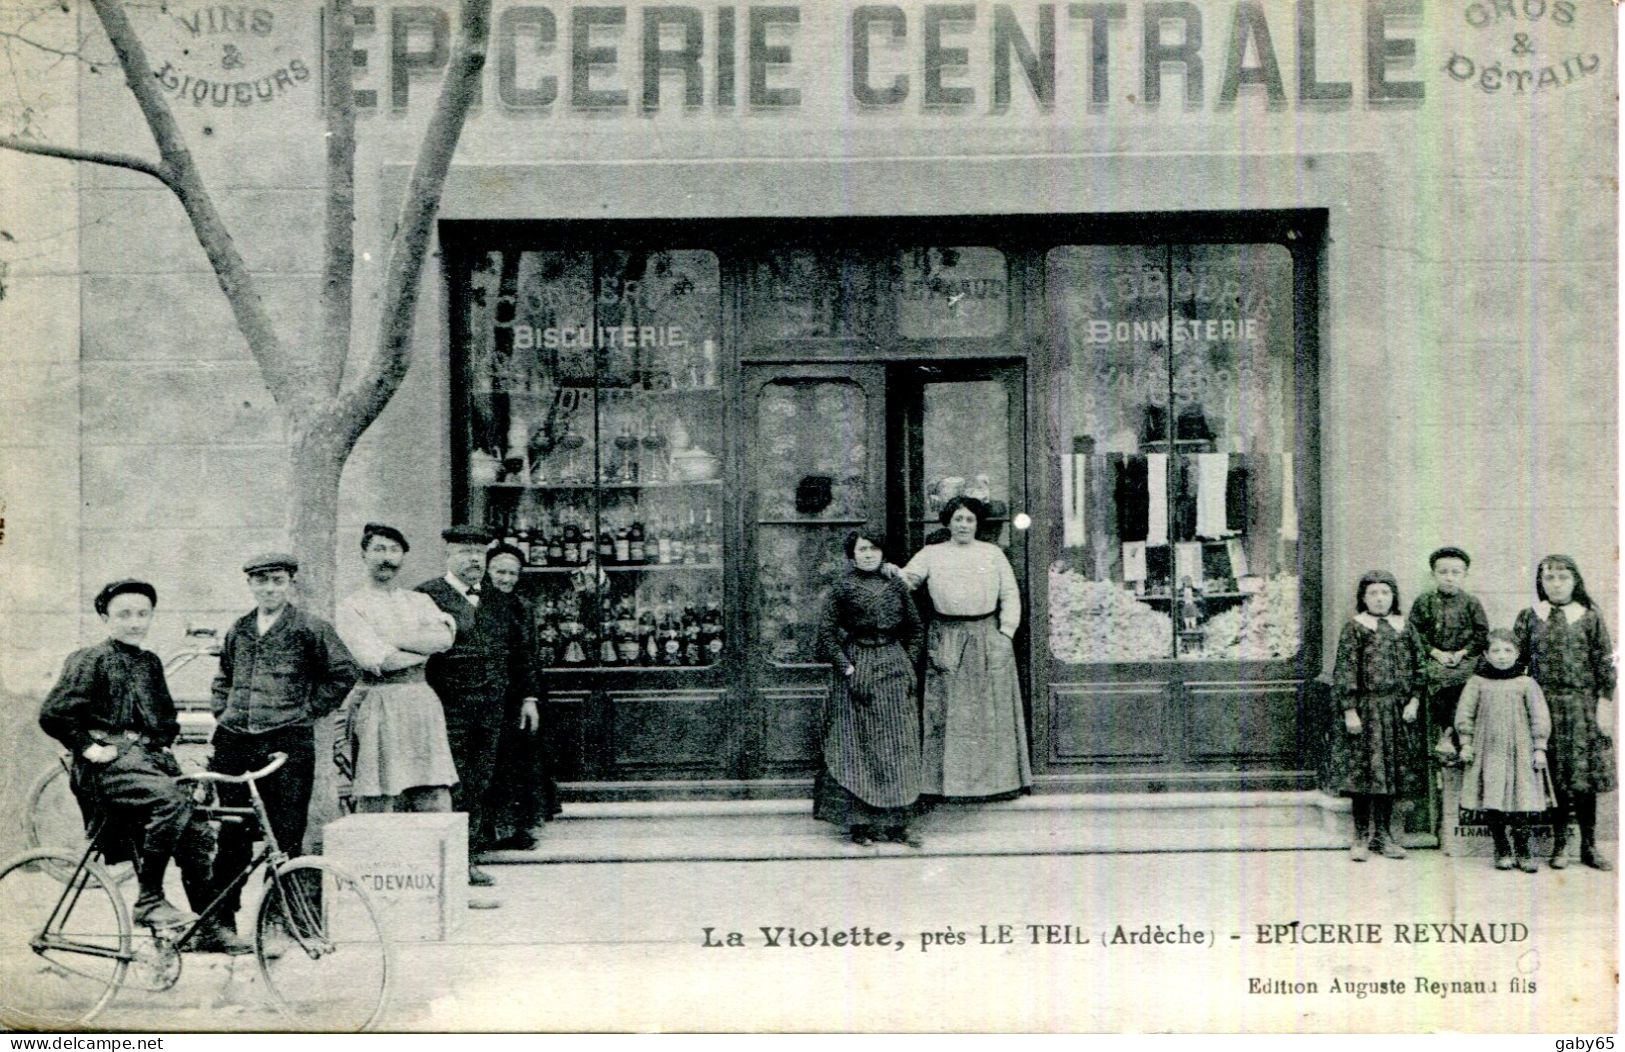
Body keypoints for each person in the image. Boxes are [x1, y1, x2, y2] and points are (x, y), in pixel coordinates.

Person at [38, 580, 231, 949]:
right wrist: (90, 749)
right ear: (104, 617)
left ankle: (210, 929)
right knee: (170, 801)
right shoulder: (90, 659)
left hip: (144, 764)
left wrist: (164, 752)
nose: (134, 622)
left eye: (143, 614)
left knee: (197, 830)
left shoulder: (149, 663)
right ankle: (149, 899)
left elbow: (166, 722)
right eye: (124, 614)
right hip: (105, 768)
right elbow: (54, 714)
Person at [207, 552, 359, 946]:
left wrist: (308, 710)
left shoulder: (310, 627)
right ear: (251, 585)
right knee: (233, 834)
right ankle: (221, 923)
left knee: (286, 836)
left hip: (286, 743)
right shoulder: (239, 629)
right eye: (261, 581)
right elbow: (223, 674)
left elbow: (344, 671)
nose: (269, 588)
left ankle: (280, 920)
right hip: (234, 743)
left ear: (290, 583)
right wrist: (222, 711)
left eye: (277, 581)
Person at [418, 525, 540, 888]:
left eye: (479, 553)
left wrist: (527, 698)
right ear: (448, 555)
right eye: (464, 552)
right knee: (448, 784)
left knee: (479, 781)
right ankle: (444, 863)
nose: (473, 559)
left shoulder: (498, 598)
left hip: (491, 709)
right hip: (446, 708)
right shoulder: (427, 596)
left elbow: (521, 654)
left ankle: (467, 859)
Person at [895, 496, 1032, 799]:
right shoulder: (932, 553)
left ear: (977, 524)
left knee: (989, 711)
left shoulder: (992, 553)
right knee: (947, 712)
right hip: (947, 635)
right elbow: (908, 580)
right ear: (947, 522)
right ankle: (942, 785)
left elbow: (1010, 594)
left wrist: (1005, 633)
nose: (964, 525)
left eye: (969, 520)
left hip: (988, 636)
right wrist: (888, 571)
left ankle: (998, 785)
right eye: (958, 519)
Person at [334, 524, 460, 815]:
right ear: (364, 555)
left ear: (403, 556)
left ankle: (435, 857)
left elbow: (443, 639)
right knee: (380, 789)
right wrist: (423, 648)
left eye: (394, 550)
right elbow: (380, 660)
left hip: (421, 701)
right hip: (379, 702)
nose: (386, 558)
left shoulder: (420, 601)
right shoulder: (351, 607)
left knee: (433, 784)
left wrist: (390, 637)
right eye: (378, 549)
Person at [814, 529, 925, 847]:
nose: (868, 554)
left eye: (874, 549)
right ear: (852, 554)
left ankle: (896, 825)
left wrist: (907, 664)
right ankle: (860, 825)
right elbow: (825, 633)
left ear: (883, 553)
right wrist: (847, 668)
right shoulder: (842, 586)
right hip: (857, 665)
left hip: (893, 667)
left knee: (898, 748)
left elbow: (915, 628)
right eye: (862, 549)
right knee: (856, 748)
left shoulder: (896, 585)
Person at [1514, 554, 1615, 871]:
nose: (1556, 585)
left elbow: (1605, 663)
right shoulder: (1530, 616)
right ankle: (1559, 845)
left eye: (1563, 578)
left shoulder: (1589, 616)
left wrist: (1605, 705)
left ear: (1575, 581)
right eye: (1549, 579)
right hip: (1544, 705)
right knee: (1554, 778)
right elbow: (1516, 662)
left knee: (1583, 780)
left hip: (1582, 706)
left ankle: (1588, 845)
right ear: (1540, 583)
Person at [1329, 570, 1423, 862]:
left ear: (1393, 596)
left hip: (1396, 711)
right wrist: (1349, 710)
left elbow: (1420, 666)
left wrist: (1414, 701)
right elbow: (1345, 671)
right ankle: (1360, 836)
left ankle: (1383, 835)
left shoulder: (1404, 626)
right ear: (1363, 597)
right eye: (1373, 593)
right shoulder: (1356, 627)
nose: (1380, 598)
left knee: (1389, 774)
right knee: (1364, 775)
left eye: (1385, 592)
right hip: (1366, 711)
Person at [480, 542, 559, 850]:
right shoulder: (479, 604)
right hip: (488, 694)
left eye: (513, 573)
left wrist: (530, 697)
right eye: (500, 571)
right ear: (487, 572)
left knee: (519, 761)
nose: (507, 579)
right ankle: (487, 831)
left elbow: (528, 655)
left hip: (518, 695)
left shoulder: (522, 607)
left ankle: (515, 829)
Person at [1455, 629, 1552, 873]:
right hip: (1489, 749)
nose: (1501, 656)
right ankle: (1502, 847)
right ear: (1486, 654)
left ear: (1517, 653)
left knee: (1521, 797)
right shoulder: (1477, 682)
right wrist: (1465, 742)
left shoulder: (1526, 683)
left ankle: (1523, 848)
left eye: (1508, 650)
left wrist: (1539, 747)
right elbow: (1465, 715)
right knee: (1493, 796)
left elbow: (1539, 716)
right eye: (1495, 651)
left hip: (1520, 750)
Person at [1409, 546, 1489, 763]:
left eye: (1455, 573)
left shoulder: (1471, 603)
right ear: (1433, 574)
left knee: (1465, 684)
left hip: (1465, 659)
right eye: (1443, 572)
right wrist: (1436, 653)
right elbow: (1415, 633)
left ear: (1464, 575)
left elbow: (1482, 633)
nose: (1449, 578)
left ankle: (1456, 736)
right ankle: (1444, 733)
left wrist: (1462, 653)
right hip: (1435, 659)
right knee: (1437, 678)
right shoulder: (1424, 602)